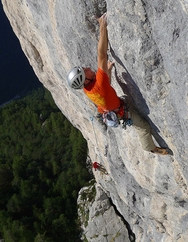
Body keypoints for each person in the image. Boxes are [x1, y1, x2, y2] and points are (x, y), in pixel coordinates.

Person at [67, 13, 168, 155]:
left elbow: (105, 86)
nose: (89, 68)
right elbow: (102, 54)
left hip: (113, 109)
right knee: (143, 127)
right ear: (85, 80)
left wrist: (107, 70)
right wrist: (103, 26)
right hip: (122, 111)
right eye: (86, 71)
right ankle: (150, 148)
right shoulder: (98, 84)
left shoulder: (87, 88)